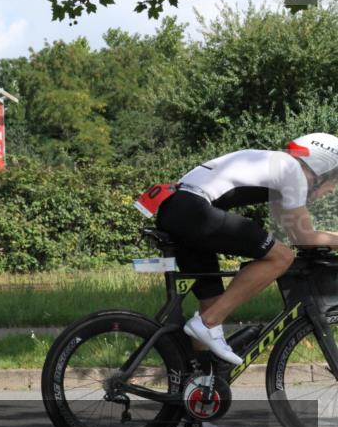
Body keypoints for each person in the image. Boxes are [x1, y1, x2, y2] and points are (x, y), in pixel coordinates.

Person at [136, 133, 338, 365]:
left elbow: (295, 233)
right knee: (281, 257)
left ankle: (198, 383)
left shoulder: (277, 166)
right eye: (334, 179)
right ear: (322, 167)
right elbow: (304, 238)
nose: (332, 189)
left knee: (211, 302)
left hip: (179, 210)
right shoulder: (292, 170)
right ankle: (208, 322)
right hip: (193, 212)